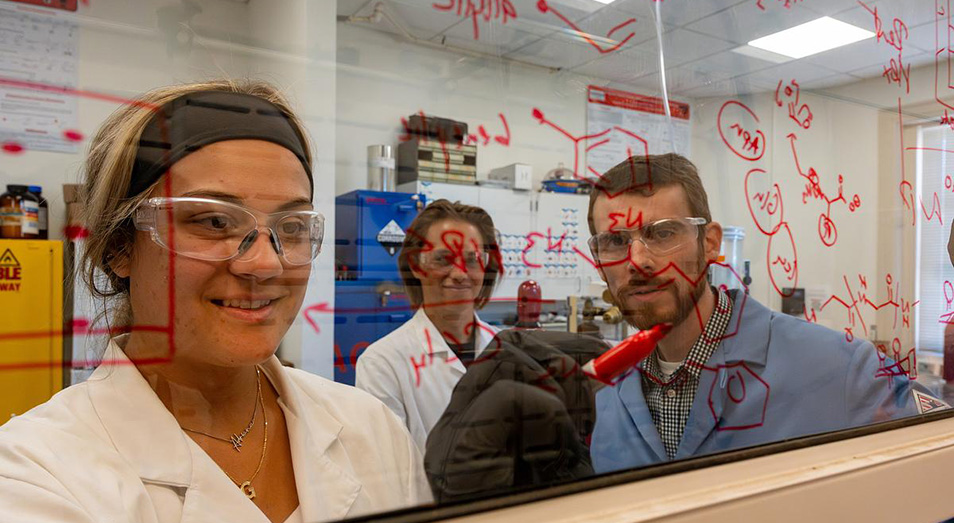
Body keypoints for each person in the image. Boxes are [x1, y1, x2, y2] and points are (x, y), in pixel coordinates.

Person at [0, 81, 430, 523]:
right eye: (213, 221)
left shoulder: (371, 429)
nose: (266, 262)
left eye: (292, 225)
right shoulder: (35, 477)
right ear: (120, 247)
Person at [587, 153, 946, 473]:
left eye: (663, 233)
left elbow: (943, 471)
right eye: (615, 242)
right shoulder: (607, 394)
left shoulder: (837, 367)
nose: (638, 261)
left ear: (710, 243)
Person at [355, 200, 502, 451]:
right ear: (416, 266)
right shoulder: (382, 363)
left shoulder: (506, 347)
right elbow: (389, 468)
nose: (459, 273)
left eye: (473, 259)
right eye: (443, 259)